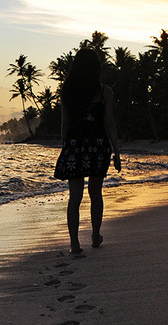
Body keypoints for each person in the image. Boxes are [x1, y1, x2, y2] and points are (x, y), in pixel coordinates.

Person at [53, 48, 121, 254]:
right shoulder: (105, 92)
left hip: (74, 146)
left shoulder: (67, 92)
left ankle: (74, 243)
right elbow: (109, 123)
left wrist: (66, 148)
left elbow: (65, 125)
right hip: (98, 146)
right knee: (95, 193)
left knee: (75, 197)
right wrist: (116, 152)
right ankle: (95, 235)